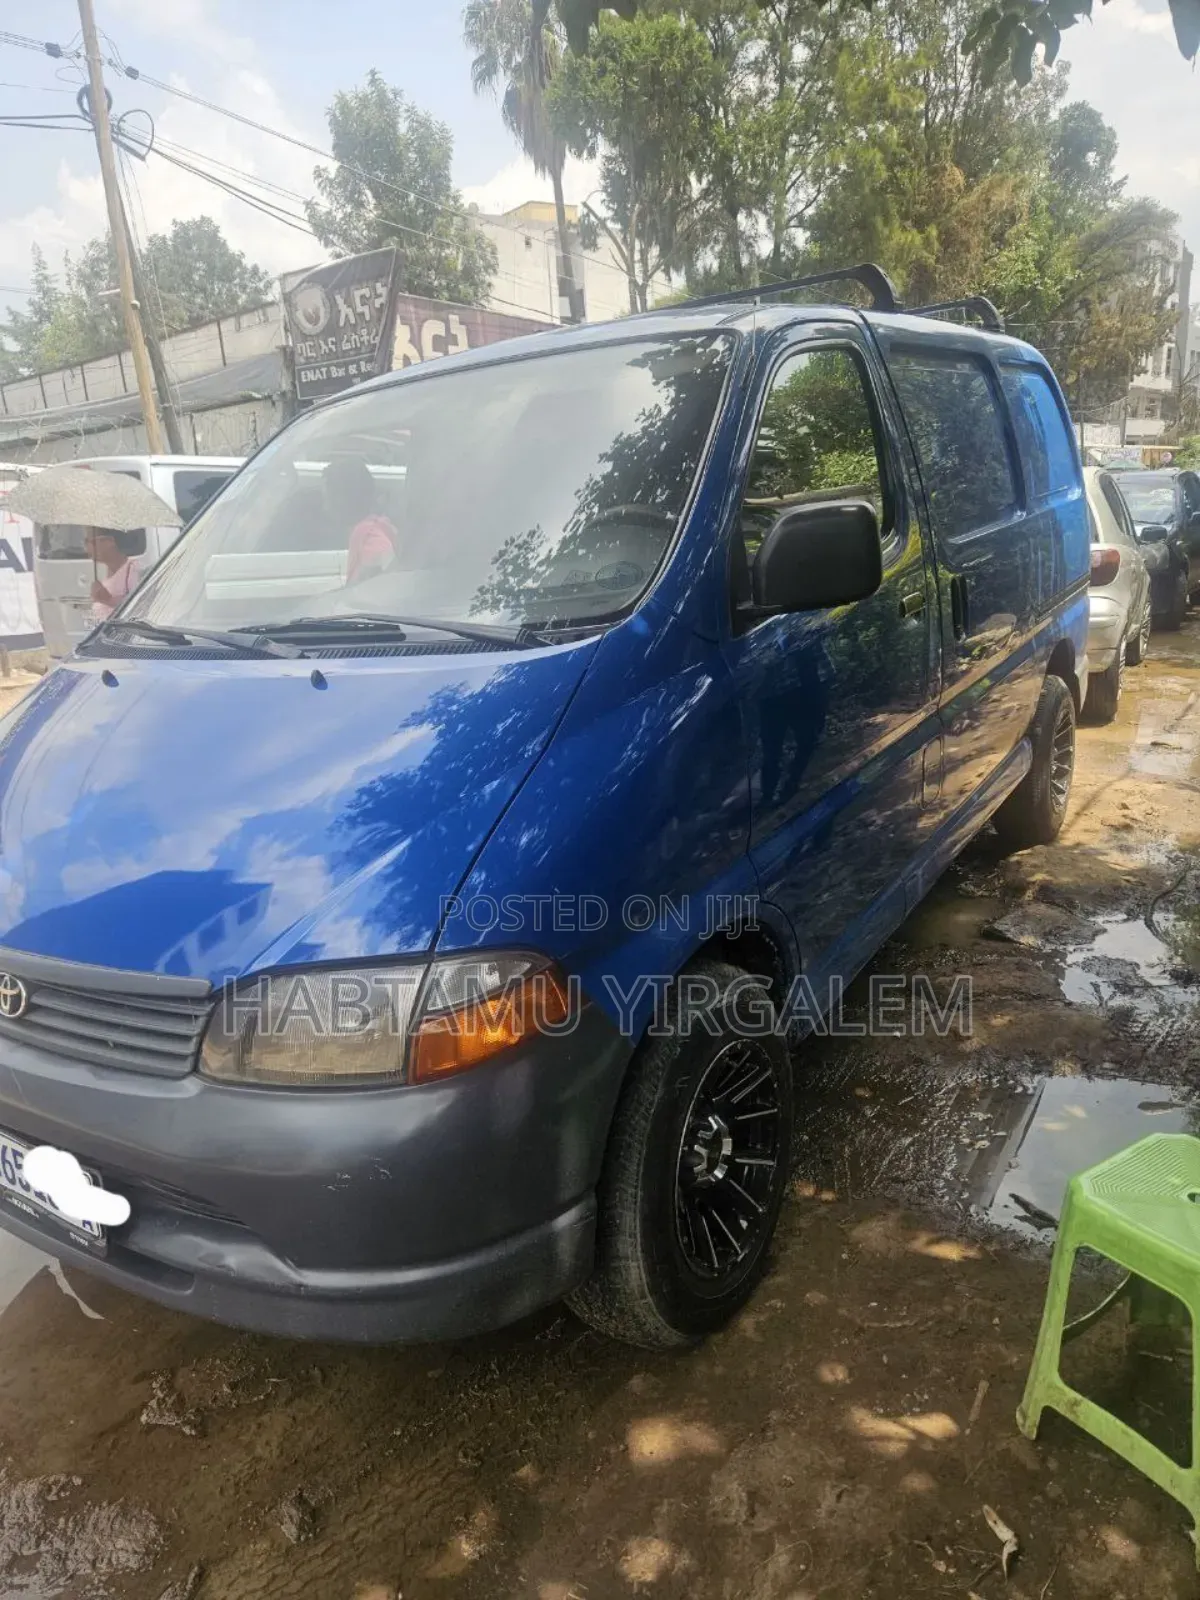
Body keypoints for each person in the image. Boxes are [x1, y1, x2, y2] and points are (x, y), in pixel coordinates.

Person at [321, 458, 397, 584]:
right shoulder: (375, 528)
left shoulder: (370, 539)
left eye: (327, 499)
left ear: (342, 500)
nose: (325, 508)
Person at [85, 528, 143, 620]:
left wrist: (108, 600)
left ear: (110, 541)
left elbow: (139, 605)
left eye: (92, 542)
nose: (87, 548)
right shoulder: (108, 571)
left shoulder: (132, 569)